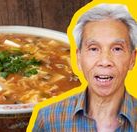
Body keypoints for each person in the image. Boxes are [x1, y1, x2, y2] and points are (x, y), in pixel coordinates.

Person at [33, 3, 137, 132]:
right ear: (78, 57)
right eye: (93, 49)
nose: (105, 61)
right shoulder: (49, 118)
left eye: (117, 49)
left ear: (132, 59)